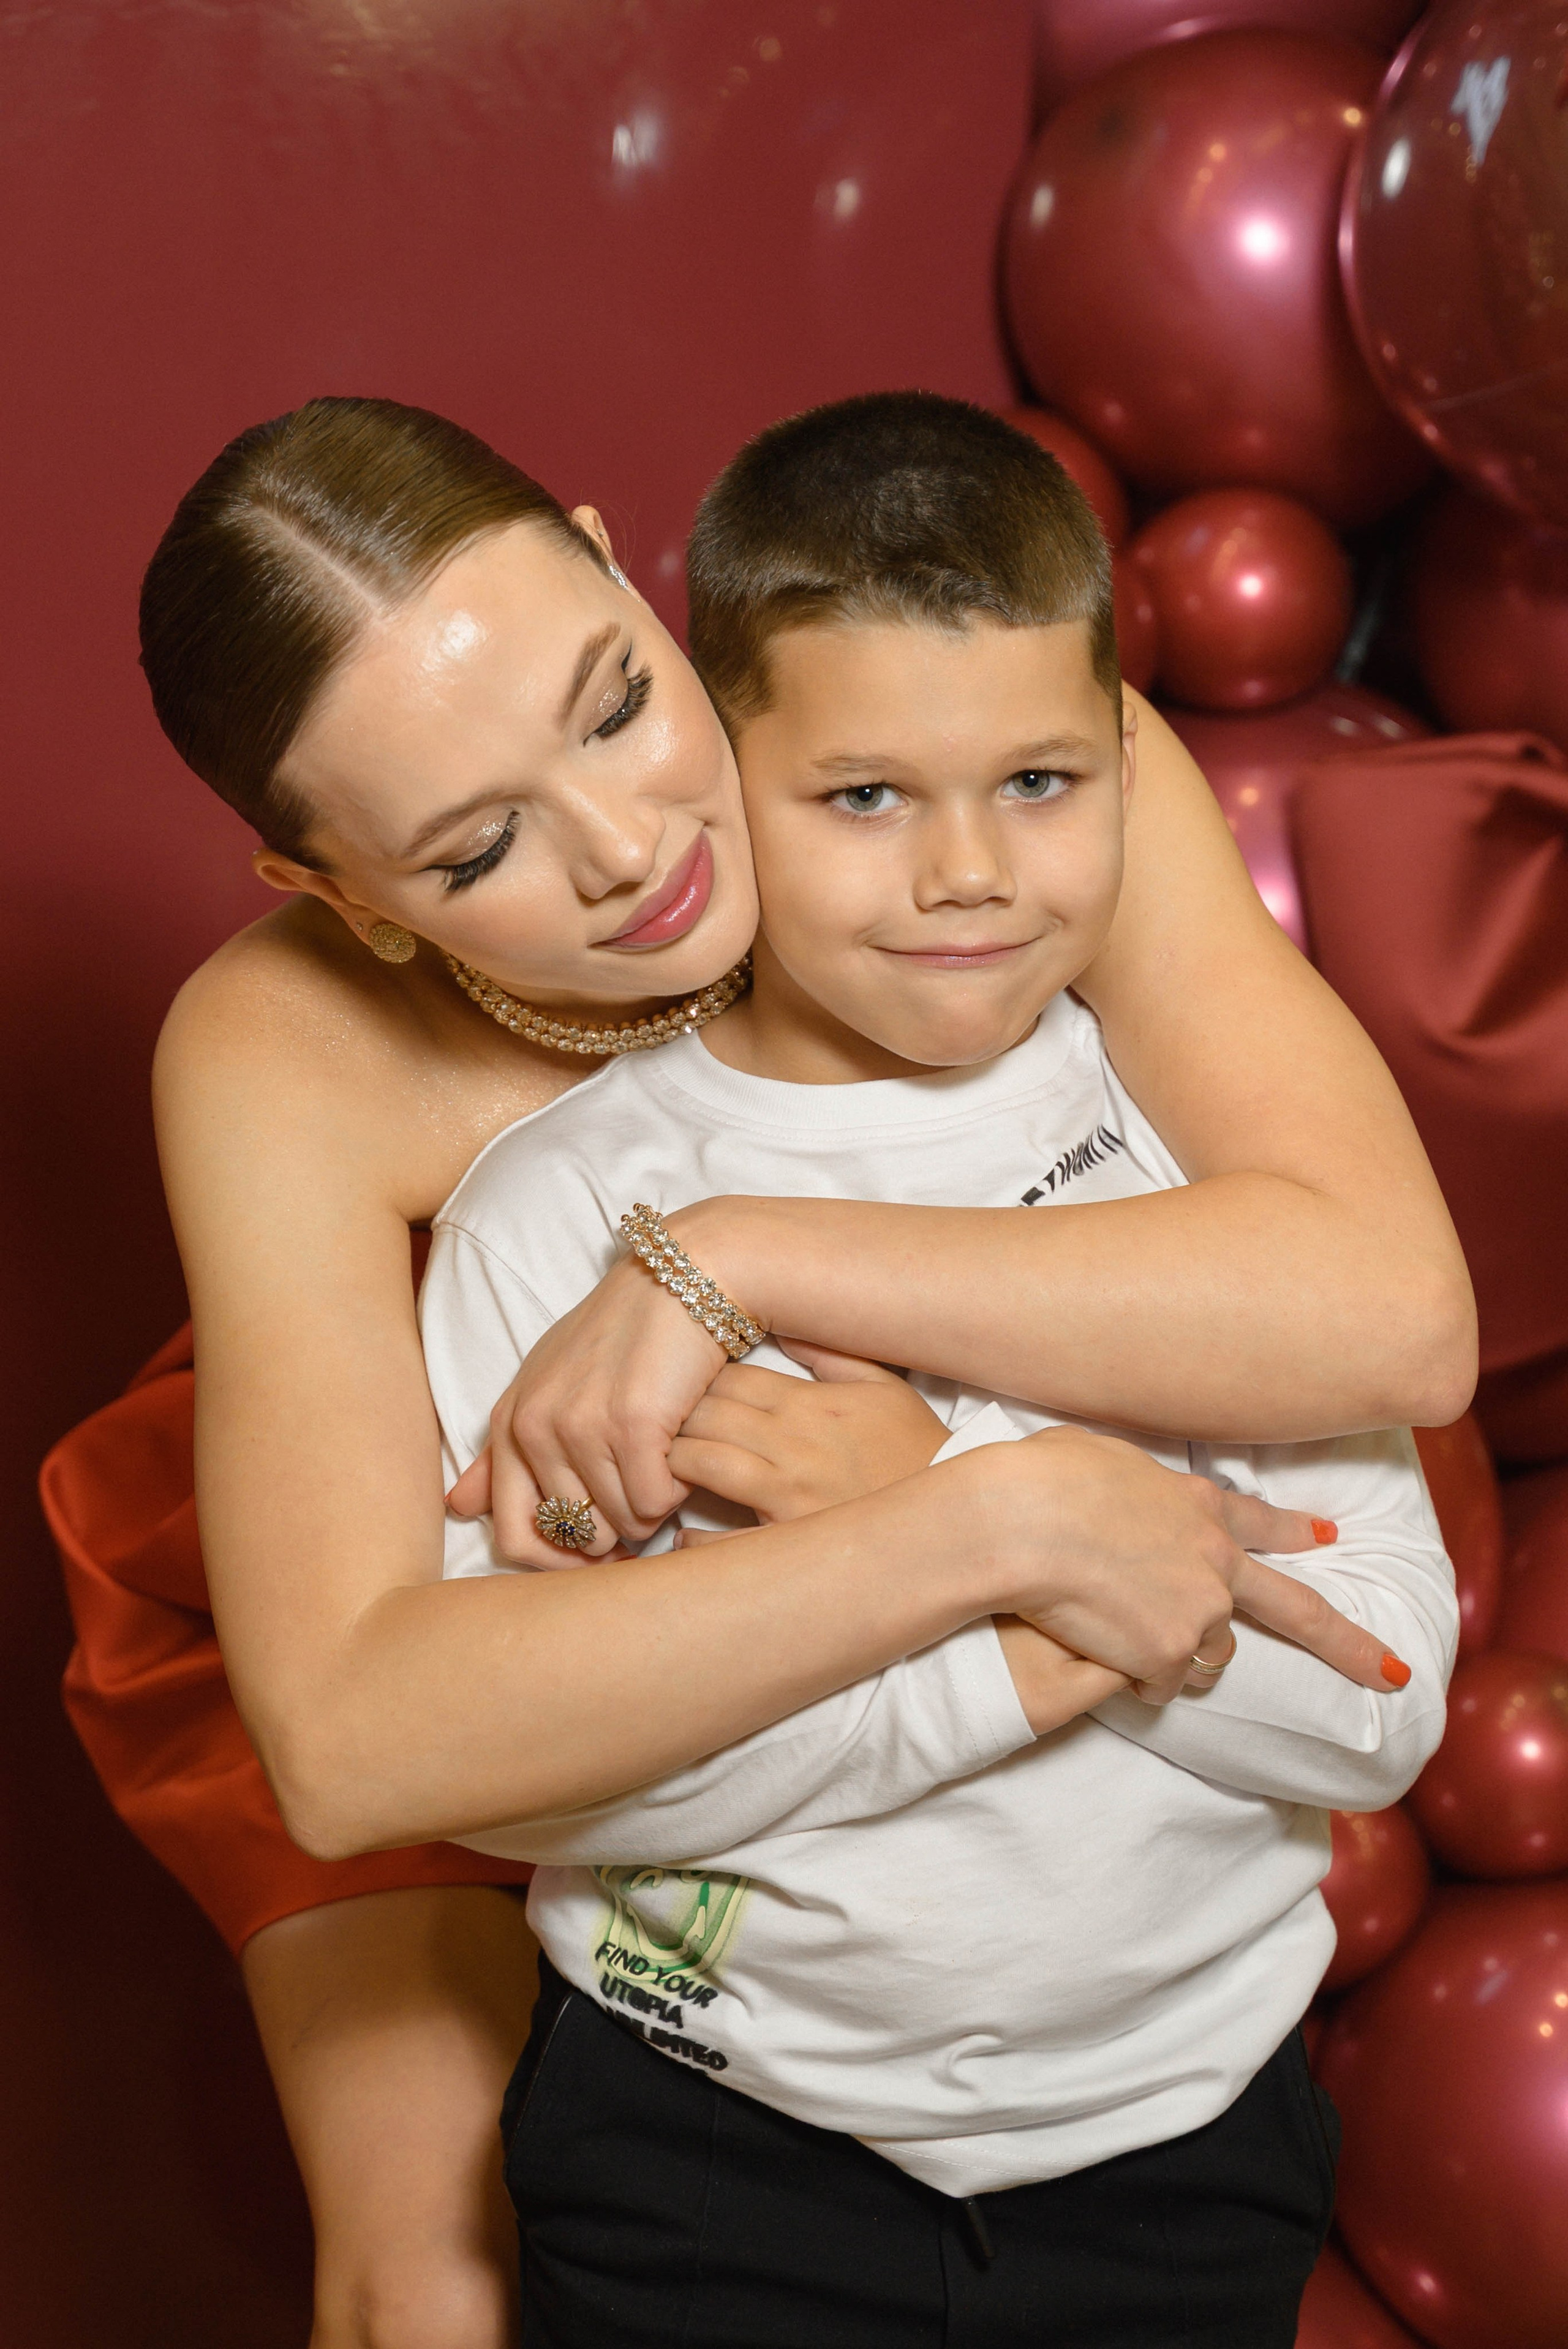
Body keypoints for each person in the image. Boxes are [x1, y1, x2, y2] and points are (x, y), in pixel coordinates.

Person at [121, 395, 1472, 2348]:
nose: (630, 850)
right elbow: (352, 1736)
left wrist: (736, 1253)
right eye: (478, 843)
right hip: (409, 1526)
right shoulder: (279, 1052)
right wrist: (993, 1529)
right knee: (423, 2282)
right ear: (339, 896)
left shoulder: (938, 758)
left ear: (619, 561)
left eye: (612, 702)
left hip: (870, 1489)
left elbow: (1388, 1308)